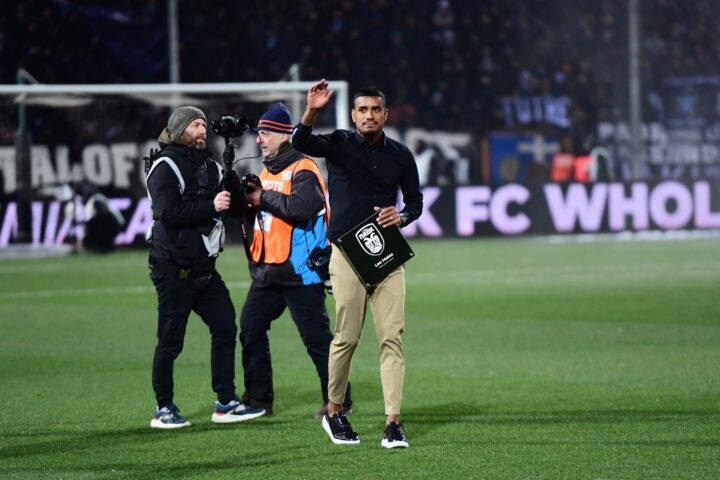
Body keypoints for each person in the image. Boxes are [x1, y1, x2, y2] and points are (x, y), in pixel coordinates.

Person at [292, 81, 423, 448]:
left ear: (386, 114)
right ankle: (334, 411)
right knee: (346, 337)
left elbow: (415, 201)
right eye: (362, 110)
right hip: (347, 255)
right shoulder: (338, 143)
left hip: (386, 255)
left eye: (375, 110)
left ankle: (393, 422)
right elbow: (300, 141)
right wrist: (311, 109)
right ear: (353, 115)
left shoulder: (400, 155)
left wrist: (403, 216)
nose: (369, 115)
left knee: (391, 338)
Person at [145, 106, 266, 429]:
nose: (202, 131)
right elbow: (168, 214)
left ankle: (225, 402)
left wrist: (234, 183)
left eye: (203, 125)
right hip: (173, 269)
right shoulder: (164, 166)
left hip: (204, 269)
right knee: (170, 341)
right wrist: (210, 205)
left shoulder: (212, 166)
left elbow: (235, 210)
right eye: (195, 125)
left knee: (225, 326)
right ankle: (163, 408)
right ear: (179, 129)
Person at [234, 102, 352, 418]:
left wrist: (262, 197)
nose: (259, 139)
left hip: (301, 271)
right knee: (250, 328)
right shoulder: (267, 170)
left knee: (317, 340)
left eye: (265, 133)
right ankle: (258, 399)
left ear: (284, 135)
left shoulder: (304, 168)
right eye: (259, 133)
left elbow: (301, 208)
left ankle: (340, 401)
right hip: (269, 271)